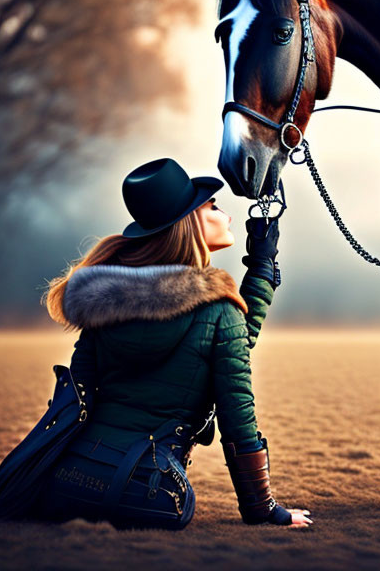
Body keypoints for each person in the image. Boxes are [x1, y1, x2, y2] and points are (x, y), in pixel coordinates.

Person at [30, 157, 311, 529]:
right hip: (146, 488)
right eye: (213, 205)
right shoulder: (218, 312)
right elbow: (237, 414)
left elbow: (77, 400)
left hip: (67, 482)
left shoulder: (105, 304)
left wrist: (262, 269)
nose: (225, 214)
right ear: (192, 221)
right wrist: (263, 509)